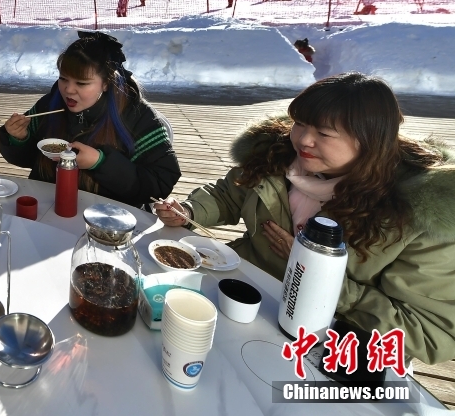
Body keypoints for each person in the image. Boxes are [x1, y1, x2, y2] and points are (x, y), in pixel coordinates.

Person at [154, 73, 455, 365]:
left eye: (324, 133)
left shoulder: (417, 212)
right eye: (300, 123)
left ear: (371, 141)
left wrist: (314, 274)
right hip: (238, 290)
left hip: (319, 344)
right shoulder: (276, 154)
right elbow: (230, 194)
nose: (303, 139)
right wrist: (191, 211)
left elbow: (428, 332)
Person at [0, 32, 181, 208]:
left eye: (81, 83)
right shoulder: (51, 104)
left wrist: (101, 162)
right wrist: (18, 138)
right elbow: (28, 159)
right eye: (63, 79)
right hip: (47, 206)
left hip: (107, 219)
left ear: (106, 83)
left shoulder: (136, 116)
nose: (68, 90)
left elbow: (161, 181)